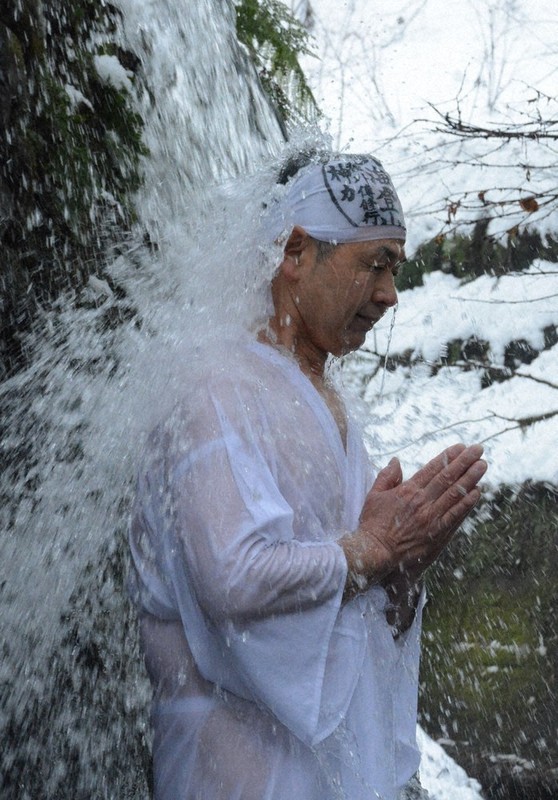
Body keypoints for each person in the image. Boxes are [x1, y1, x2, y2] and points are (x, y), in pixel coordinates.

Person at [128, 151, 487, 800]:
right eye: (373, 263)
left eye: (394, 269)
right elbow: (233, 577)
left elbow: (345, 591)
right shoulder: (216, 388)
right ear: (296, 252)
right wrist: (374, 550)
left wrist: (400, 576)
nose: (389, 294)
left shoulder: (322, 397)